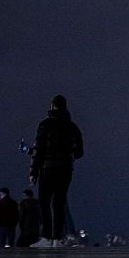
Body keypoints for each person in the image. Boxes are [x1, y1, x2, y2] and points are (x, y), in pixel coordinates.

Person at [29, 95, 84, 248]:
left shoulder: (44, 125)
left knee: (44, 202)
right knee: (59, 203)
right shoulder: (73, 127)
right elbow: (80, 152)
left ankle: (46, 236)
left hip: (47, 168)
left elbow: (38, 150)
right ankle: (57, 238)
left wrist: (33, 172)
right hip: (65, 170)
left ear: (52, 106)